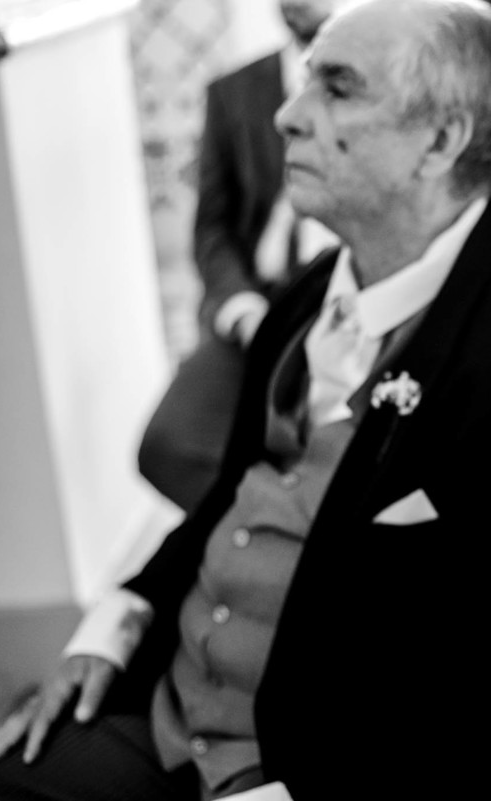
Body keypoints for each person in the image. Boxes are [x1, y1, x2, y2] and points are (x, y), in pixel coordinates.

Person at [0, 1, 491, 798]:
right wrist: (112, 626)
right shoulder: (305, 300)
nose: (286, 116)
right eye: (305, 84)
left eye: (337, 89)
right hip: (161, 718)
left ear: (440, 141)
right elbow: (228, 503)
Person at [138, 0, 342, 514]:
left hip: (340, 293)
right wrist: (241, 306)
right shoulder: (233, 91)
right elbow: (212, 228)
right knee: (169, 446)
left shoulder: (384, 86)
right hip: (260, 303)